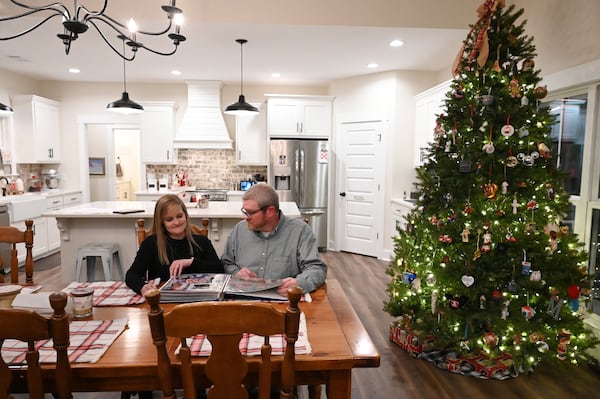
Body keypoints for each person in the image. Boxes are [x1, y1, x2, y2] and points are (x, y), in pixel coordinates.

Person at [221, 182, 327, 296]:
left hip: (284, 303)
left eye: (250, 213)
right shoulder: (239, 229)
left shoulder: (300, 231)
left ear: (270, 211)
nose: (245, 217)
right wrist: (237, 273)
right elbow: (226, 262)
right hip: (244, 301)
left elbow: (316, 268)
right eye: (244, 211)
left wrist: (299, 283)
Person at [125, 194, 224, 295]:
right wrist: (143, 286)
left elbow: (220, 270)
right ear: (161, 222)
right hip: (163, 302)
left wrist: (191, 262)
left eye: (179, 216)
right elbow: (131, 275)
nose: (176, 222)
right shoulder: (151, 243)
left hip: (197, 301)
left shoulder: (202, 242)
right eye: (169, 219)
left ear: (185, 215)